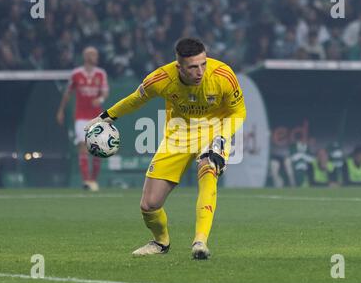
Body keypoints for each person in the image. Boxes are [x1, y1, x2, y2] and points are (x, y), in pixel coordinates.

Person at [84, 38, 246, 260]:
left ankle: (200, 241)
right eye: (193, 67)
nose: (200, 71)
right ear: (179, 66)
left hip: (214, 131)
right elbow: (135, 99)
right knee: (149, 205)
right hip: (178, 136)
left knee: (208, 170)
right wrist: (107, 116)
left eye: (203, 64)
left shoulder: (223, 75)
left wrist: (222, 138)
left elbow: (238, 112)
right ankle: (161, 243)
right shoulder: (162, 79)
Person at [56, 46, 109, 191]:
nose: (95, 56)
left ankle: (93, 180)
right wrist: (61, 110)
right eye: (92, 54)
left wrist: (100, 99)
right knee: (83, 146)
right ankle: (86, 181)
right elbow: (68, 93)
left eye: (96, 54)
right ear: (86, 56)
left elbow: (105, 92)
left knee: (97, 149)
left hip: (97, 116)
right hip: (81, 116)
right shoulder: (76, 74)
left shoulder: (101, 74)